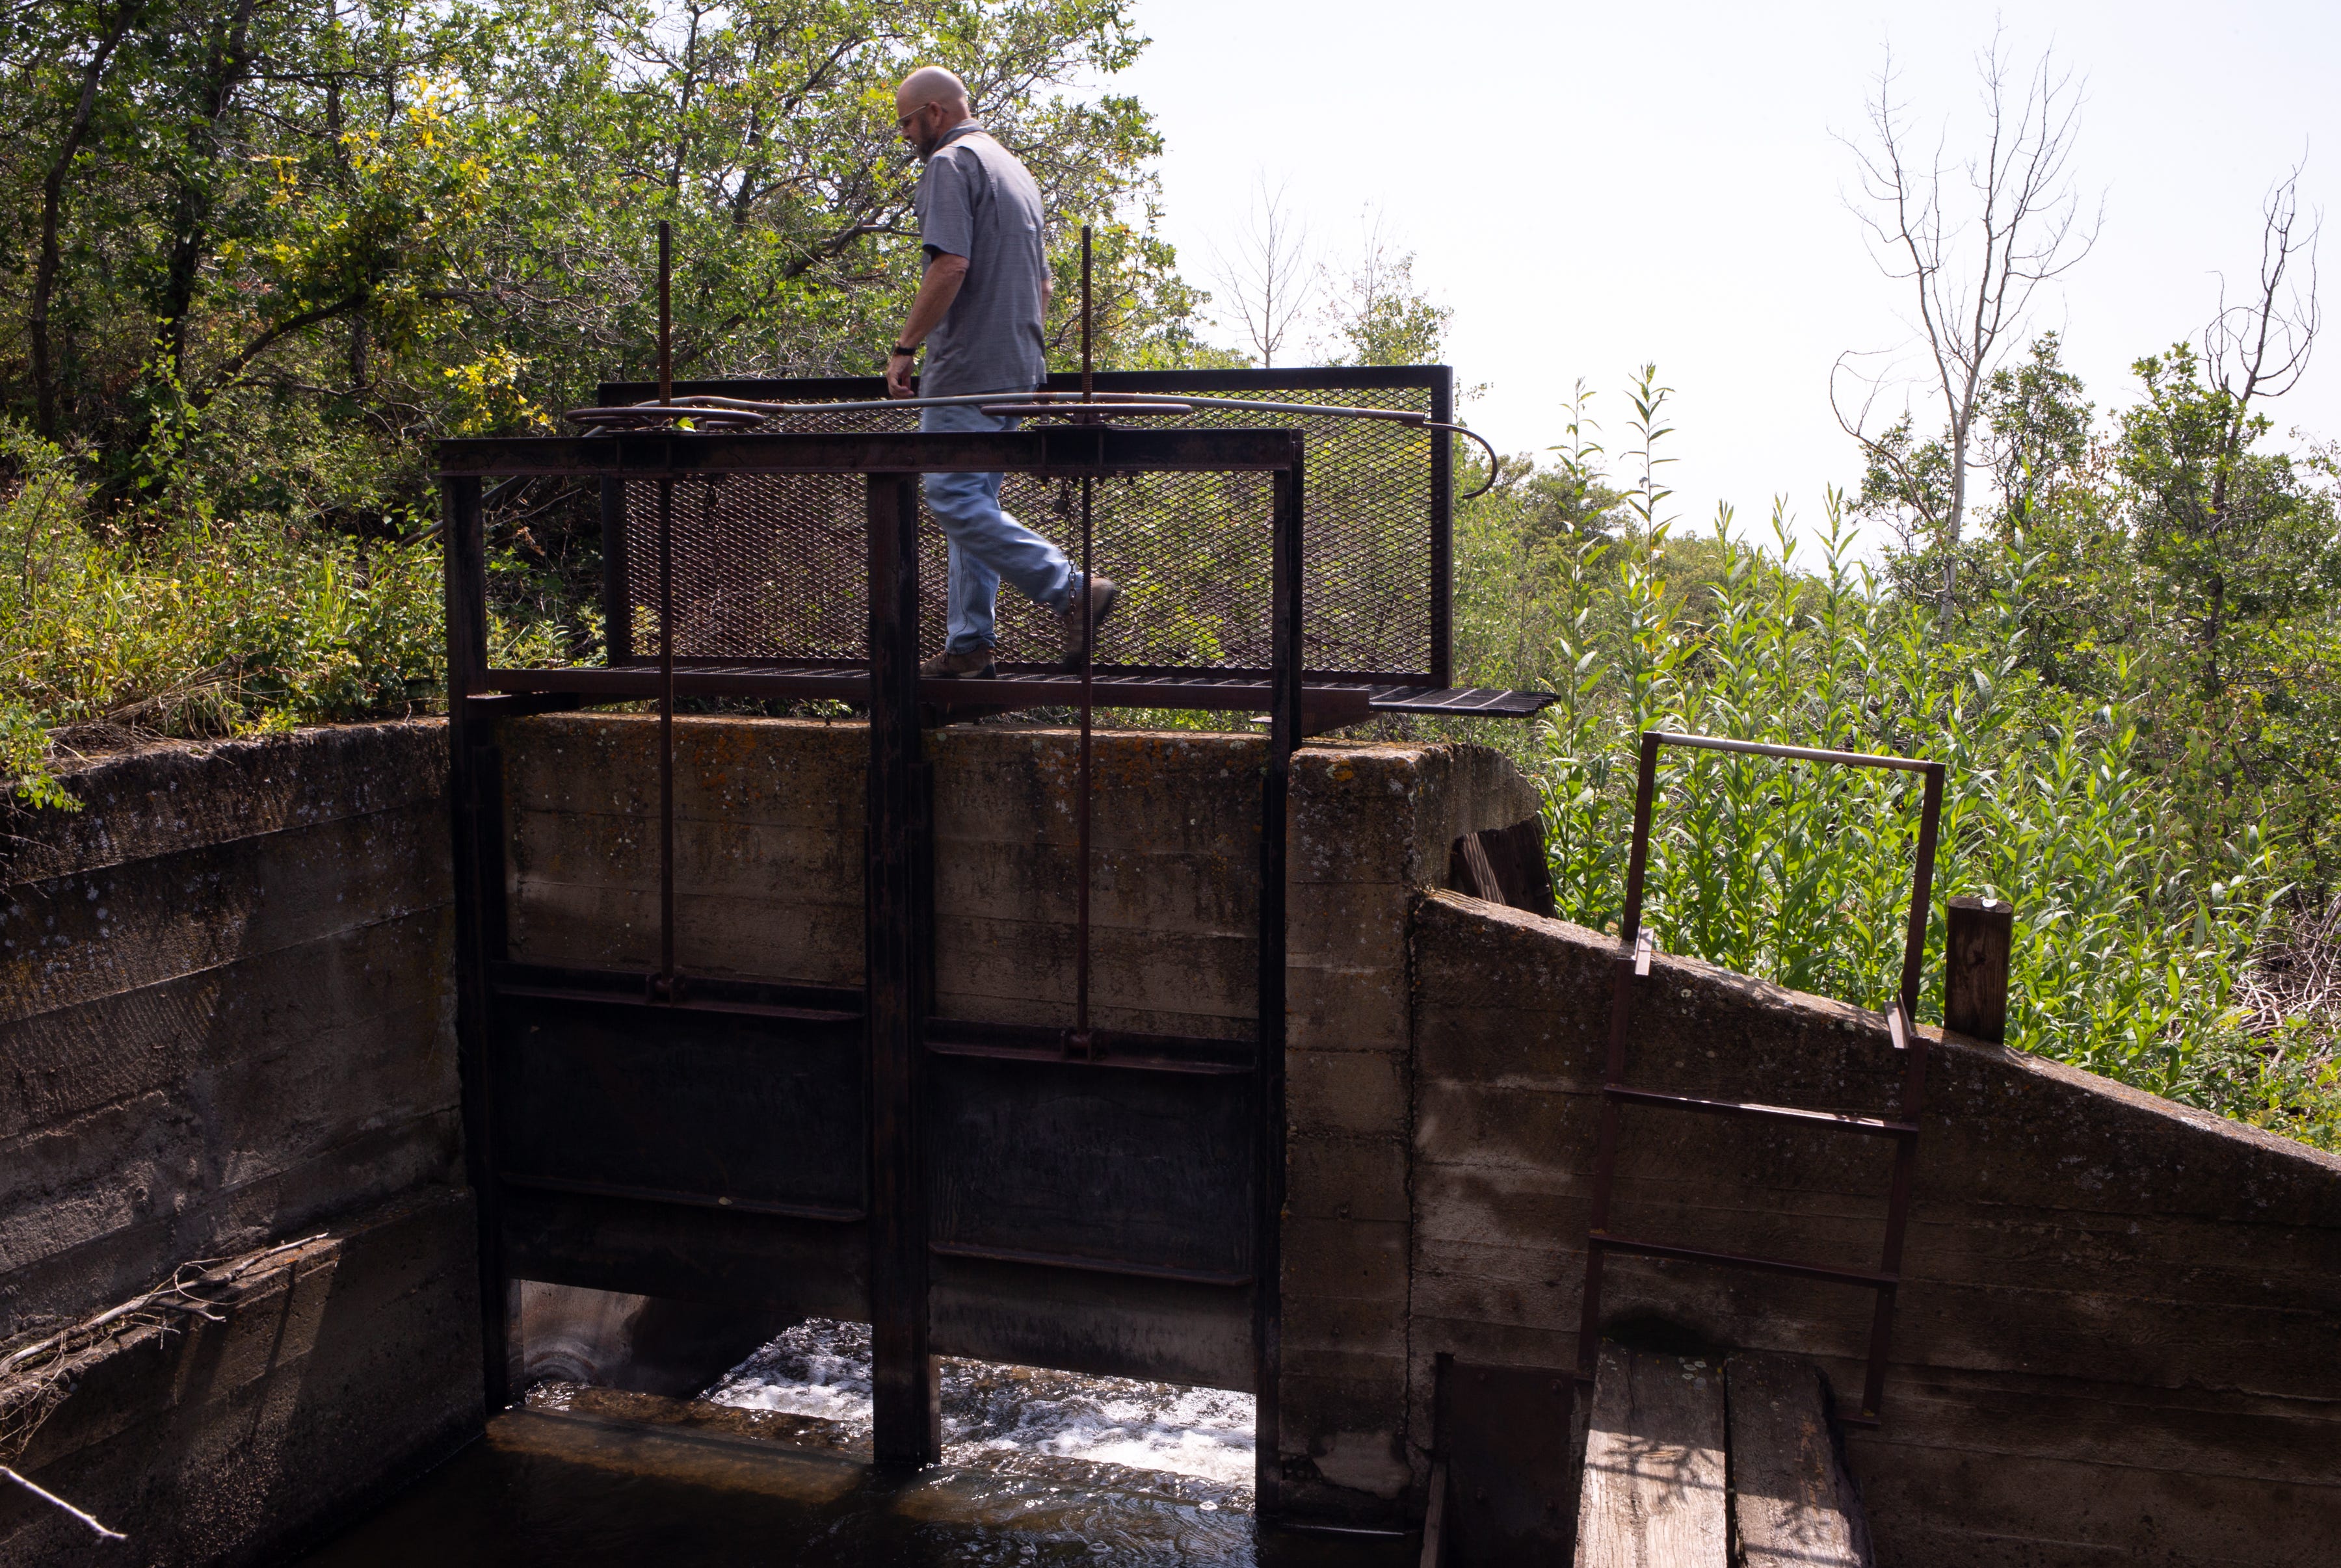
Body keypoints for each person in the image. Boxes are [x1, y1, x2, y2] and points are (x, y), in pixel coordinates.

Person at [886, 64, 1115, 677]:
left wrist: (906, 346)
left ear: (934, 113)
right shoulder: (1015, 170)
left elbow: (950, 265)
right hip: (1017, 365)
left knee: (951, 495)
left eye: (906, 123)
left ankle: (1072, 590)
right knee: (977, 501)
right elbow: (1042, 284)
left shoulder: (951, 164)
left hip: (969, 370)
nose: (905, 135)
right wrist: (1028, 362)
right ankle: (970, 648)